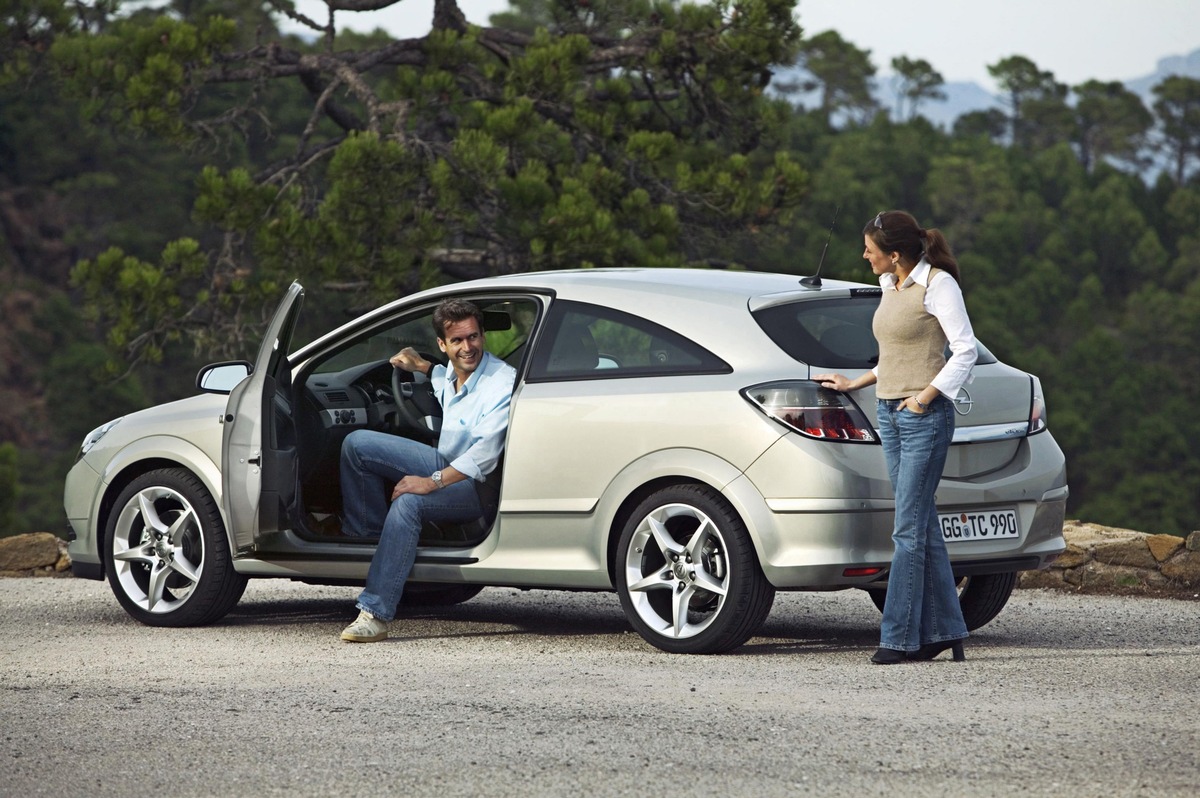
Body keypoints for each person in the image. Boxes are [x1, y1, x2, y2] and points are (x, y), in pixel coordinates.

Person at [814, 210, 977, 664]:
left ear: (895, 253)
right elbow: (898, 354)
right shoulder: (892, 286)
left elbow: (964, 349)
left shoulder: (939, 285)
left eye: (870, 249)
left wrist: (924, 398)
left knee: (906, 529)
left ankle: (900, 638)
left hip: (923, 416)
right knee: (921, 525)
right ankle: (946, 630)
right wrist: (855, 384)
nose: (864, 255)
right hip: (889, 412)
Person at [338, 298, 516, 643]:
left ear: (482, 336)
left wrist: (430, 482)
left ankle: (375, 612)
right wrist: (419, 364)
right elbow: (441, 377)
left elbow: (485, 455)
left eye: (474, 337)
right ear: (442, 345)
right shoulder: (452, 371)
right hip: (446, 462)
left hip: (478, 486)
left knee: (408, 503)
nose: (468, 347)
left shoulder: (500, 382)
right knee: (356, 444)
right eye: (458, 341)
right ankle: (373, 544)